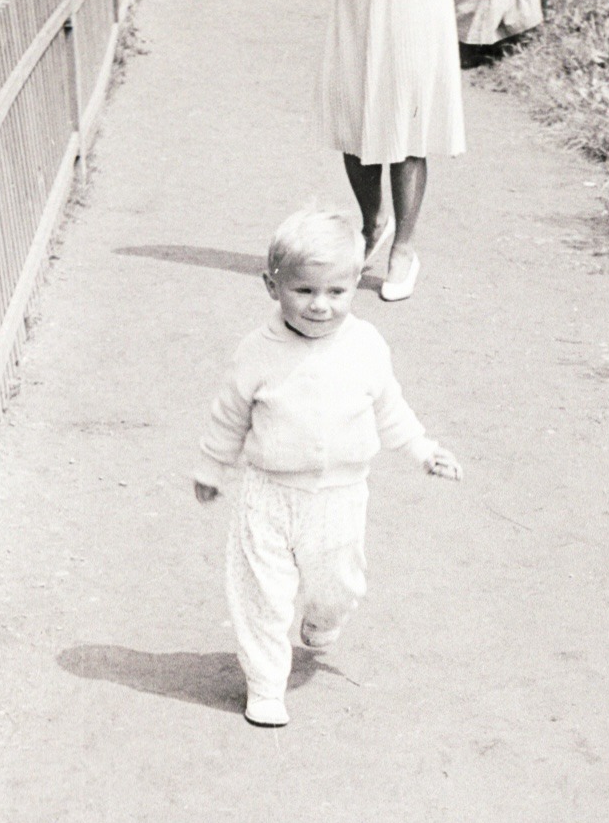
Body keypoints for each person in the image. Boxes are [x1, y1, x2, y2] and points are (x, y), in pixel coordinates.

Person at [193, 209, 461, 728]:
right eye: (304, 291)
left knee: (341, 585)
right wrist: (211, 467)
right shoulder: (256, 353)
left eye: (336, 292)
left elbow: (389, 408)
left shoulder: (365, 346)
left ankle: (323, 617)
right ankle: (267, 686)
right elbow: (229, 416)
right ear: (272, 287)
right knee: (261, 596)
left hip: (340, 495)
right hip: (269, 494)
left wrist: (423, 450)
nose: (320, 305)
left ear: (356, 285)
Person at [317, 0, 475, 302]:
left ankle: (404, 249)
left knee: (404, 124)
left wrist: (441, 9)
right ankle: (373, 226)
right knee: (353, 120)